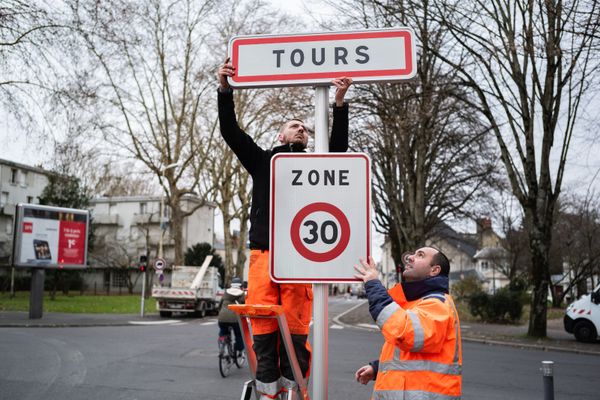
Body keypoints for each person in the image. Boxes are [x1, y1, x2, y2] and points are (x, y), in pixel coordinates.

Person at [217, 58, 352, 399]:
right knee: (263, 327)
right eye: (295, 126)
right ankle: (267, 394)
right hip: (263, 254)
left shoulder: (314, 165)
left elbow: (337, 152)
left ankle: (297, 393)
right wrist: (224, 90)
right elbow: (230, 132)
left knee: (294, 332)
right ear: (280, 135)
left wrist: (339, 103)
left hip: (299, 259)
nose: (302, 129)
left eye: (305, 127)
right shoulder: (264, 161)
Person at [353, 247, 462, 399]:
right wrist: (378, 368)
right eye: (412, 254)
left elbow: (403, 332)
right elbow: (414, 356)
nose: (410, 257)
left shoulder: (437, 304)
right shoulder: (419, 303)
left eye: (420, 255)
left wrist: (373, 285)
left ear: (434, 270)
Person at [218, 277, 245, 357]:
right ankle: (240, 350)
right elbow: (244, 306)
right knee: (239, 334)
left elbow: (220, 305)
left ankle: (222, 343)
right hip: (236, 319)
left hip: (222, 318)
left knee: (223, 331)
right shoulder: (242, 294)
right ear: (240, 286)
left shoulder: (226, 292)